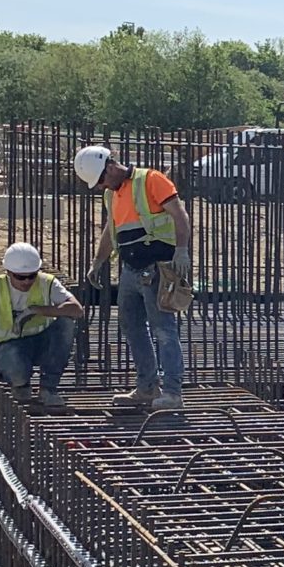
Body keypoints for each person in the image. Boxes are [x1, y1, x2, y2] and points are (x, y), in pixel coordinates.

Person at [73, 144, 193, 416]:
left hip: (157, 268)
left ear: (110, 166)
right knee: (131, 325)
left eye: (101, 180)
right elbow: (111, 230)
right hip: (130, 269)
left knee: (163, 329)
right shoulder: (112, 194)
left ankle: (173, 392)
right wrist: (98, 261)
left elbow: (179, 214)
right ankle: (147, 386)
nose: (102, 186)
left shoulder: (151, 179)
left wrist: (182, 250)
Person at [0, 242, 81, 408]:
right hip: (9, 344)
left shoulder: (47, 282)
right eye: (20, 277)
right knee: (17, 374)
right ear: (8, 272)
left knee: (66, 323)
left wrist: (37, 310)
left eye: (32, 276)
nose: (27, 281)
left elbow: (76, 310)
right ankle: (15, 380)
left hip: (41, 342)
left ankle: (48, 389)